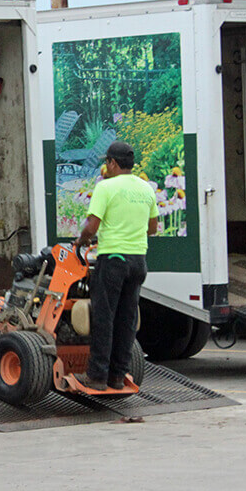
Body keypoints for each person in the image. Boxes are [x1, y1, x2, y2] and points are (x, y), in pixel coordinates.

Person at [71, 141, 158, 390]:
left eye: (106, 162)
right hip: (138, 262)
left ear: (112, 163)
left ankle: (97, 377)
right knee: (126, 320)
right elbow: (152, 229)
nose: (105, 166)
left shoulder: (106, 188)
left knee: (104, 318)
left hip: (113, 261)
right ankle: (117, 377)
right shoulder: (147, 188)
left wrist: (82, 240)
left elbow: (91, 226)